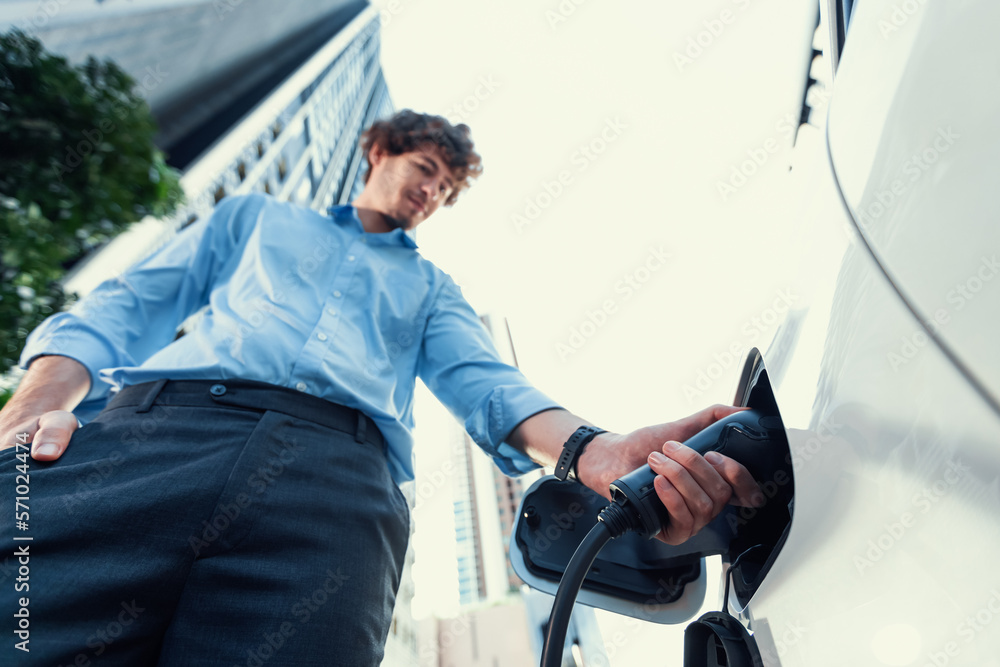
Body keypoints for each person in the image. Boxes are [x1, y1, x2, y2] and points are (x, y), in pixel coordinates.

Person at [0, 110, 762, 666]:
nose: (432, 192)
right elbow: (128, 303)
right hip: (157, 436)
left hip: (332, 493)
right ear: (378, 151)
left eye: (445, 188)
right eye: (425, 169)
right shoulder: (253, 217)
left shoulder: (431, 288)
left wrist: (596, 449)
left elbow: (483, 381)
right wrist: (35, 402)